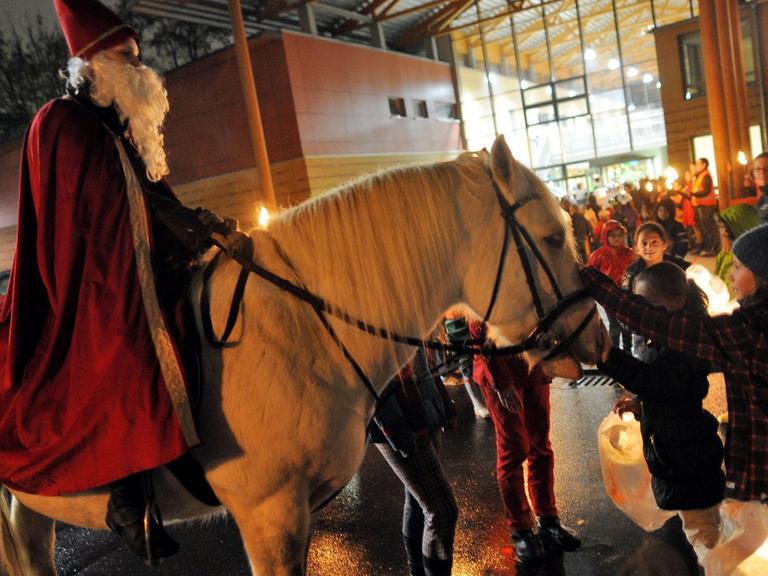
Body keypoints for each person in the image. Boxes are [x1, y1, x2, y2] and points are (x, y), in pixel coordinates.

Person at [0, 0, 246, 562]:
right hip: (87, 283)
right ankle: (127, 495)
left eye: (139, 58)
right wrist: (180, 230)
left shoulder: (117, 122)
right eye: (127, 58)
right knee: (124, 341)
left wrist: (199, 225)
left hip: (132, 264)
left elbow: (151, 197)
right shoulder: (60, 122)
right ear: (93, 63)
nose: (142, 69)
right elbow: (106, 208)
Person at [580, 223, 768, 507]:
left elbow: (657, 326)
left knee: (713, 539)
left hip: (747, 470)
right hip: (737, 469)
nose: (730, 273)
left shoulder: (750, 330)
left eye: (739, 267)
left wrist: (591, 283)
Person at [597, 263, 725, 549]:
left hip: (690, 462)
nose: (642, 314)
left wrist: (606, 356)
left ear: (677, 302)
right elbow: (667, 393)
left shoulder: (687, 342)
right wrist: (641, 406)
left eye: (648, 305)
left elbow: (655, 381)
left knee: (706, 538)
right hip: (678, 459)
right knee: (696, 528)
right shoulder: (662, 339)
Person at [468, 320, 580, 568]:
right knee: (514, 448)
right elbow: (478, 324)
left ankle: (548, 518)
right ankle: (520, 529)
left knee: (541, 444)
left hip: (534, 366)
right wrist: (501, 382)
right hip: (502, 368)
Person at [369, 347, 458, 576]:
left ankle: (417, 571)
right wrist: (397, 430)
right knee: (442, 510)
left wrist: (440, 404)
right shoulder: (381, 315)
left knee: (419, 502)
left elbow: (424, 361)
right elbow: (375, 372)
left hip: (422, 406)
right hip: (399, 415)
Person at [587, 221, 636, 349]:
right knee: (614, 325)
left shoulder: (630, 253)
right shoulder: (599, 254)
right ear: (606, 236)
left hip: (626, 295)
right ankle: (614, 350)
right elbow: (590, 271)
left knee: (626, 324)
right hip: (609, 297)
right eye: (612, 235)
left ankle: (627, 350)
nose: (616, 238)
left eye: (619, 235)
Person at [715, 204, 761, 297]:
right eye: (721, 227)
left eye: (725, 228)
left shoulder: (754, 259)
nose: (723, 232)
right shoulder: (725, 254)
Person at [691, 158, 719, 256]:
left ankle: (713, 249)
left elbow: (705, 191)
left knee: (709, 228)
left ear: (704, 165)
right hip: (702, 205)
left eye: (698, 164)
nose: (697, 165)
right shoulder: (700, 176)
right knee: (705, 228)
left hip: (706, 205)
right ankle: (709, 248)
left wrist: (694, 194)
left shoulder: (706, 175)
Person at [750, 152, 768, 222]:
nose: (762, 172)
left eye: (767, 168)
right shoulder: (761, 201)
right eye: (757, 169)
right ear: (752, 173)